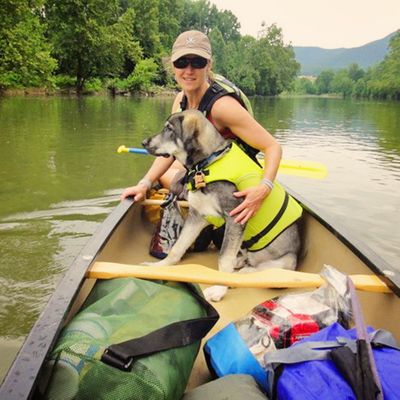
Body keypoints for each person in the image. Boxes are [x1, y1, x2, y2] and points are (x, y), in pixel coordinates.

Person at [121, 30, 282, 226]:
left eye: (197, 62)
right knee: (170, 168)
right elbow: (171, 150)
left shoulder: (222, 107)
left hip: (231, 186)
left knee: (170, 173)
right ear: (172, 66)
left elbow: (273, 147)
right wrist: (144, 184)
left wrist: (264, 188)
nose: (189, 70)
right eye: (181, 63)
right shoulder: (180, 101)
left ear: (209, 65)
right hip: (210, 178)